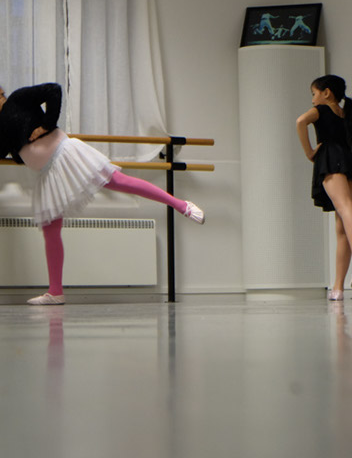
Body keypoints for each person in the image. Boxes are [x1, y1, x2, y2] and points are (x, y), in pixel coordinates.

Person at [0, 82, 205, 305]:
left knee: (119, 181)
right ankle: (55, 291)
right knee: (50, 228)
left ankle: (180, 205)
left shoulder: (17, 99)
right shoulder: (1, 124)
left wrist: (45, 126)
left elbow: (54, 90)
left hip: (65, 154)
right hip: (48, 173)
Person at [296, 74, 352, 301]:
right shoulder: (349, 116)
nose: (313, 99)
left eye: (314, 94)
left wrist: (309, 152)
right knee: (342, 227)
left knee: (345, 208)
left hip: (331, 158)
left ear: (326, 93)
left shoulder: (322, 110)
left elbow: (300, 121)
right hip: (349, 162)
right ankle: (337, 288)